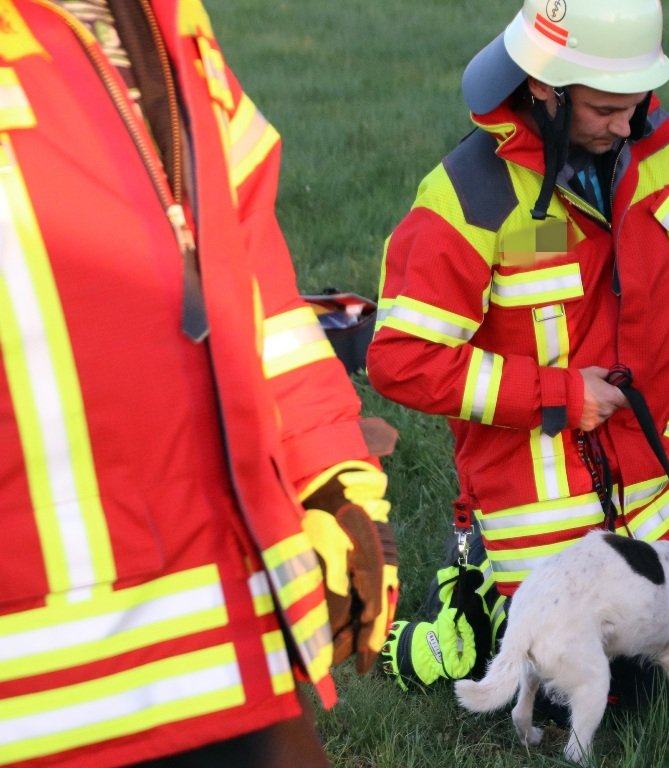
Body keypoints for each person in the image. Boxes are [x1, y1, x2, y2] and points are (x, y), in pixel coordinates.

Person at [367, 0, 669, 691]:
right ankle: (484, 594)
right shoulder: (469, 197)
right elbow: (402, 360)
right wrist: (562, 396)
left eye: (635, 104)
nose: (626, 124)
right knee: (621, 699)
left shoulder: (655, 150)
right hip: (555, 497)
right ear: (545, 89)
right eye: (606, 108)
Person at [0, 2, 399, 766]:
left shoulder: (168, 20)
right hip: (44, 707)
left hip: (219, 657)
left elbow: (253, 283)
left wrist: (330, 478)